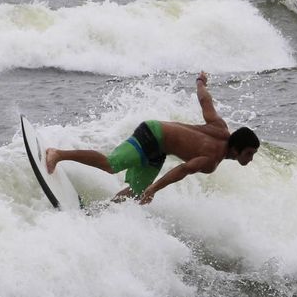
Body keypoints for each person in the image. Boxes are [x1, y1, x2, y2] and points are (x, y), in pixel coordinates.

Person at [46, 71, 260, 204]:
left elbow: (205, 101)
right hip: (153, 134)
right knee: (112, 165)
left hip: (159, 150)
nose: (250, 159)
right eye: (249, 153)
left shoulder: (220, 127)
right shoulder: (212, 160)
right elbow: (182, 170)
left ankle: (102, 212)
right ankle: (58, 154)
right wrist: (155, 189)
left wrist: (200, 82)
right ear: (237, 147)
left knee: (137, 193)